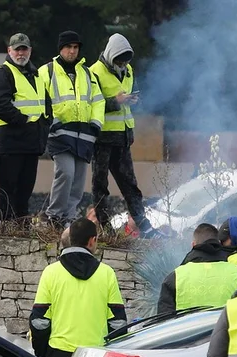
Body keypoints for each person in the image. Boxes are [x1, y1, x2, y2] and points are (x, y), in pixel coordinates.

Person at [31, 217, 126, 357]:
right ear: (92, 240)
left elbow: (39, 321)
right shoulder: (107, 273)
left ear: (71, 239)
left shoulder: (51, 272)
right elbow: (118, 323)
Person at [90, 33, 159, 239]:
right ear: (111, 55)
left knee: (130, 185)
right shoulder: (94, 72)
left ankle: (143, 226)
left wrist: (133, 99)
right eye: (119, 60)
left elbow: (134, 90)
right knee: (100, 185)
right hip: (102, 139)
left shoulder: (128, 70)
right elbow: (92, 104)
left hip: (123, 138)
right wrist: (116, 101)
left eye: (126, 60)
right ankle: (105, 226)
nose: (123, 64)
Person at [40, 31, 105, 228]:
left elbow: (98, 100)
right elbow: (41, 99)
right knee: (65, 173)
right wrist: (53, 122)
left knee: (78, 181)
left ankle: (67, 218)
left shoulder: (87, 73)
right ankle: (55, 215)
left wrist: (96, 124)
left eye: (75, 47)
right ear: (60, 48)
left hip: (84, 135)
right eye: (69, 47)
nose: (72, 51)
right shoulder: (47, 71)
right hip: (59, 134)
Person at [0, 32, 50, 223]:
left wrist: (44, 125)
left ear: (30, 50)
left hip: (30, 143)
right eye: (17, 49)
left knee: (25, 190)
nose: (21, 53)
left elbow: (45, 105)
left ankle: (21, 226)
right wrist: (23, 121)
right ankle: (7, 227)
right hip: (10, 142)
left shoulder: (35, 74)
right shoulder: (2, 73)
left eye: (24, 49)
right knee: (8, 190)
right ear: (9, 50)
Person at [157, 223, 237, 314]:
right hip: (228, 328)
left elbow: (164, 320)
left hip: (188, 328)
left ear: (193, 245)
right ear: (219, 244)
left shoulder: (175, 277)